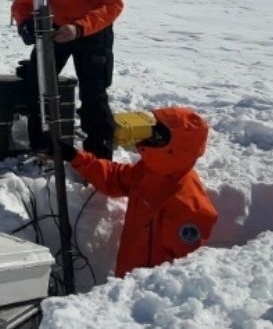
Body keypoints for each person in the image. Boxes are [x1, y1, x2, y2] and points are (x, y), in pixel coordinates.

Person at [54, 107, 218, 277]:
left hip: (148, 289)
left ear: (175, 147)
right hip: (125, 281)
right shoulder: (151, 171)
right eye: (152, 129)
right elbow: (114, 178)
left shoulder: (188, 206)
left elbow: (183, 274)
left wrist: (143, 289)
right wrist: (74, 156)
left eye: (157, 134)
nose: (149, 136)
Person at [11, 0, 123, 160]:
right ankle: (41, 147)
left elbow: (112, 4)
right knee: (37, 84)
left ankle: (99, 159)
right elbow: (24, 2)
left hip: (94, 29)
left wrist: (79, 28)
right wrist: (25, 24)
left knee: (94, 95)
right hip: (55, 27)